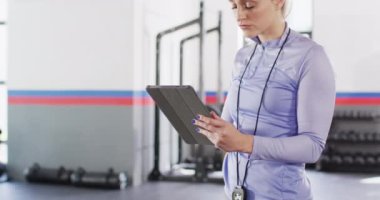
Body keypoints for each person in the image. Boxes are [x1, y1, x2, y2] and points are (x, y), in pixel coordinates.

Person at [193, 0, 335, 199]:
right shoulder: (242, 57)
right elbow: (228, 124)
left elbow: (312, 147)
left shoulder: (310, 56)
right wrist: (211, 127)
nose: (240, 15)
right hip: (234, 192)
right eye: (234, 6)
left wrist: (245, 143)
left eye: (249, 5)